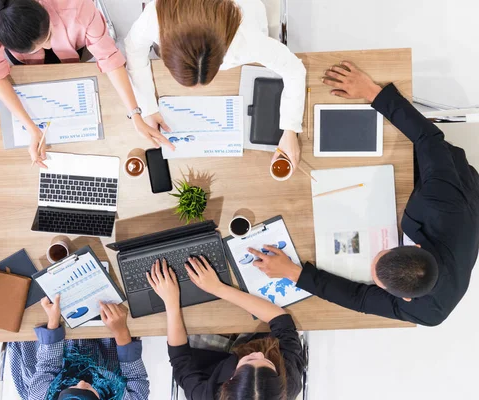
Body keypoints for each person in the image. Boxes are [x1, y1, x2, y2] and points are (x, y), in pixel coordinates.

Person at [249, 62, 479, 327]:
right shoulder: (442, 198)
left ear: (403, 298)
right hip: (457, 187)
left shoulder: (429, 312)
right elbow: (428, 139)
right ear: (413, 246)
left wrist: (293, 273)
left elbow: (359, 299)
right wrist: (371, 91)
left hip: (439, 220)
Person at [0, 0, 173, 168]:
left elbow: (109, 57)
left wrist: (135, 113)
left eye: (48, 37)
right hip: (28, 68)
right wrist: (31, 128)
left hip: (72, 47)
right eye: (35, 47)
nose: (46, 46)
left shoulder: (77, 4)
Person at [124, 0, 306, 171]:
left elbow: (294, 69)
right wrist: (146, 106)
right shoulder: (153, 18)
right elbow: (133, 49)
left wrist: (290, 129)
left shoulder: (247, 38)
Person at [147, 257, 305, 400]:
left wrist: (170, 301)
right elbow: (282, 322)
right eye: (268, 364)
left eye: (250, 360)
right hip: (256, 336)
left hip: (210, 358)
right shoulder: (288, 384)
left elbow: (180, 359)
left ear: (229, 381)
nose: (258, 354)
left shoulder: (205, 396)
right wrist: (217, 288)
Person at [8, 295, 149, 400]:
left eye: (74, 388)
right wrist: (120, 331)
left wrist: (53, 320)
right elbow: (136, 377)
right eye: (87, 389)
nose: (81, 382)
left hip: (57, 367)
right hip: (105, 358)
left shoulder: (40, 396)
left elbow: (48, 365)